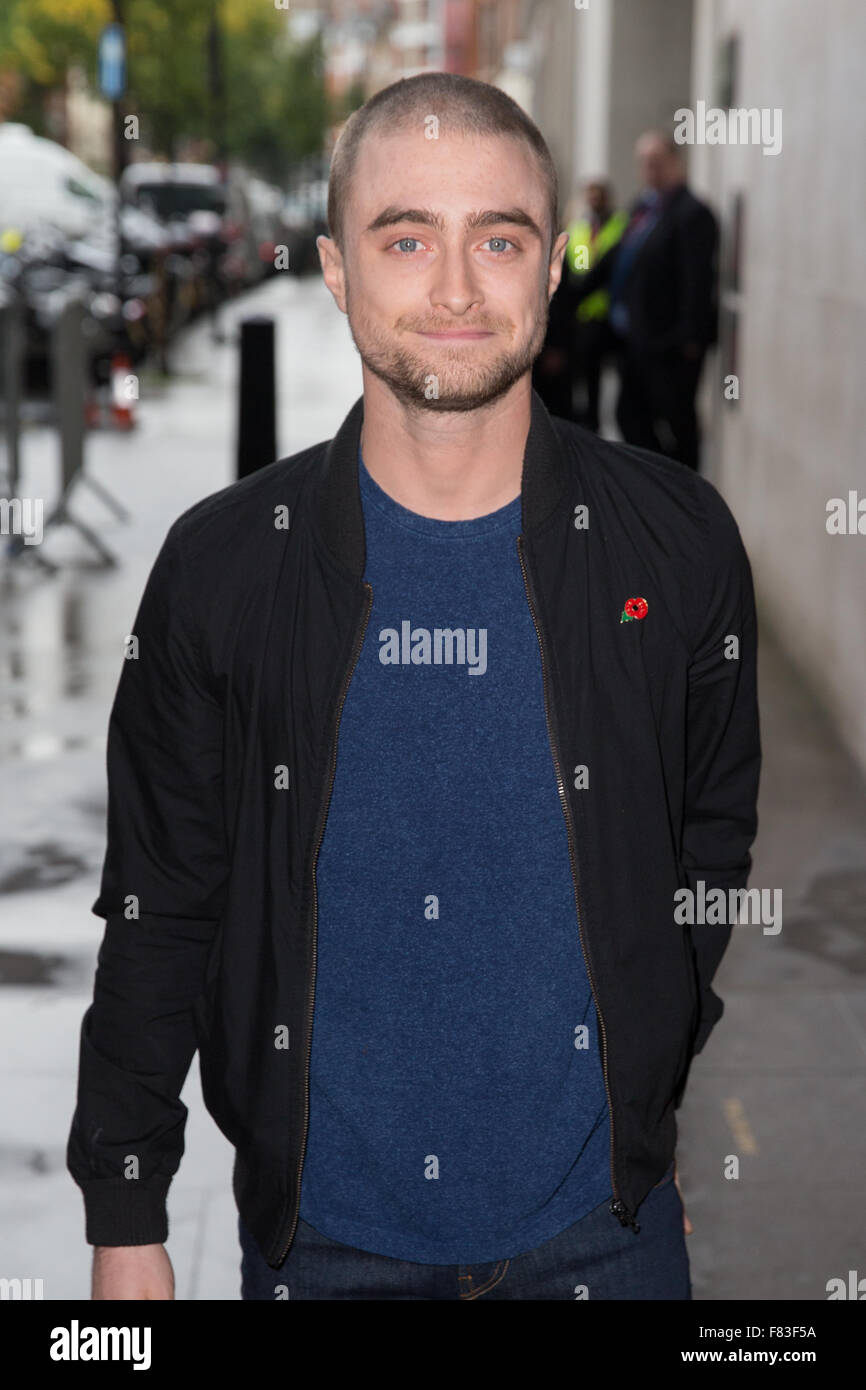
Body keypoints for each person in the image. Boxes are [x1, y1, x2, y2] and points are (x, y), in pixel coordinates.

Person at [68, 73, 760, 1302]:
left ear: (552, 269)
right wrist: (126, 1214)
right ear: (336, 270)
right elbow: (159, 901)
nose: (453, 289)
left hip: (606, 1236)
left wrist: (644, 1082)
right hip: (321, 1246)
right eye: (406, 238)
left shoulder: (677, 544)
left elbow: (704, 833)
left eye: (498, 239)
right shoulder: (225, 567)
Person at [571, 132, 719, 469]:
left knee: (677, 422)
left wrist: (687, 340)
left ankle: (683, 493)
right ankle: (660, 483)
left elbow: (697, 282)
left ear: (675, 162)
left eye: (657, 161)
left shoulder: (691, 213)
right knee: (628, 416)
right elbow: (615, 260)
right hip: (634, 340)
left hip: (669, 345)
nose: (649, 169)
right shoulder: (642, 207)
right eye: (644, 162)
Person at [562, 178, 627, 431]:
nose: (594, 201)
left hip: (609, 313)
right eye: (590, 196)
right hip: (582, 313)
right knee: (584, 377)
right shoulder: (579, 228)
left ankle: (596, 428)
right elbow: (576, 267)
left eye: (598, 195)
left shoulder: (621, 225)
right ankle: (587, 427)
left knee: (604, 381)